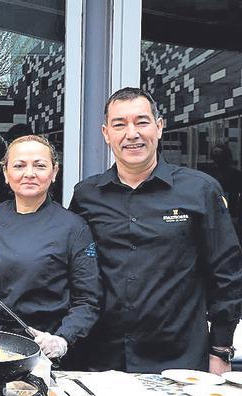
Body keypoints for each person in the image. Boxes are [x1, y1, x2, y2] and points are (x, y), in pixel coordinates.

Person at [69, 87, 242, 373]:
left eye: (142, 121)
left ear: (159, 127)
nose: (132, 133)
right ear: (106, 133)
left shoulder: (200, 190)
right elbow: (73, 272)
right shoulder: (86, 195)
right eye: (120, 124)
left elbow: (226, 274)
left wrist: (221, 350)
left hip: (180, 361)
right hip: (99, 360)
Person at [0, 135, 101, 359]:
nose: (29, 173)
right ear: (5, 173)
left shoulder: (73, 227)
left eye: (40, 166)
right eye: (19, 165)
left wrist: (62, 339)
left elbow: (87, 301)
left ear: (54, 172)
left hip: (43, 347)